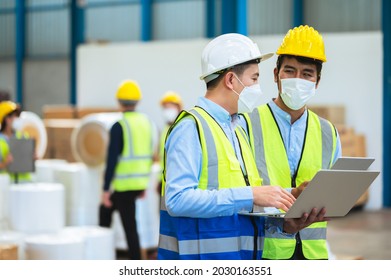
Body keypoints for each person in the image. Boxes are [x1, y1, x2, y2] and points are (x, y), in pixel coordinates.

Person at [158, 33, 327, 260]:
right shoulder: (191, 127)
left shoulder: (236, 130)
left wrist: (286, 199)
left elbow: (245, 201)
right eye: (254, 78)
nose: (258, 87)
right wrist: (251, 195)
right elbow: (177, 200)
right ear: (230, 80)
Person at [240, 25, 342, 260]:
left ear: (317, 81)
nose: (298, 80)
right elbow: (240, 191)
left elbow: (334, 194)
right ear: (276, 74)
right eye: (289, 71)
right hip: (264, 252)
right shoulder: (246, 124)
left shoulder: (328, 132)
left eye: (307, 74)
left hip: (313, 254)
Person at [99, 80, 157, 260]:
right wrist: (144, 184)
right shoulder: (147, 122)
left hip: (123, 187)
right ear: (137, 102)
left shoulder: (119, 125)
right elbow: (149, 154)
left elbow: (111, 160)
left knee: (128, 227)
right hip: (138, 184)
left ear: (119, 102)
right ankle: (105, 251)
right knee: (106, 213)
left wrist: (106, 189)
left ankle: (129, 262)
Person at [155, 91, 183, 195]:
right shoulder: (165, 129)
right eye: (165, 108)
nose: (167, 111)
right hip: (165, 181)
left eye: (170, 107)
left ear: (178, 108)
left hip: (176, 183)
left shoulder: (181, 128)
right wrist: (160, 180)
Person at [0, 100, 33, 183]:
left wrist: (33, 157)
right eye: (10, 116)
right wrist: (5, 163)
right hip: (7, 185)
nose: (14, 119)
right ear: (4, 119)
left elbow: (30, 158)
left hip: (25, 183)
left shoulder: (23, 136)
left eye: (15, 116)